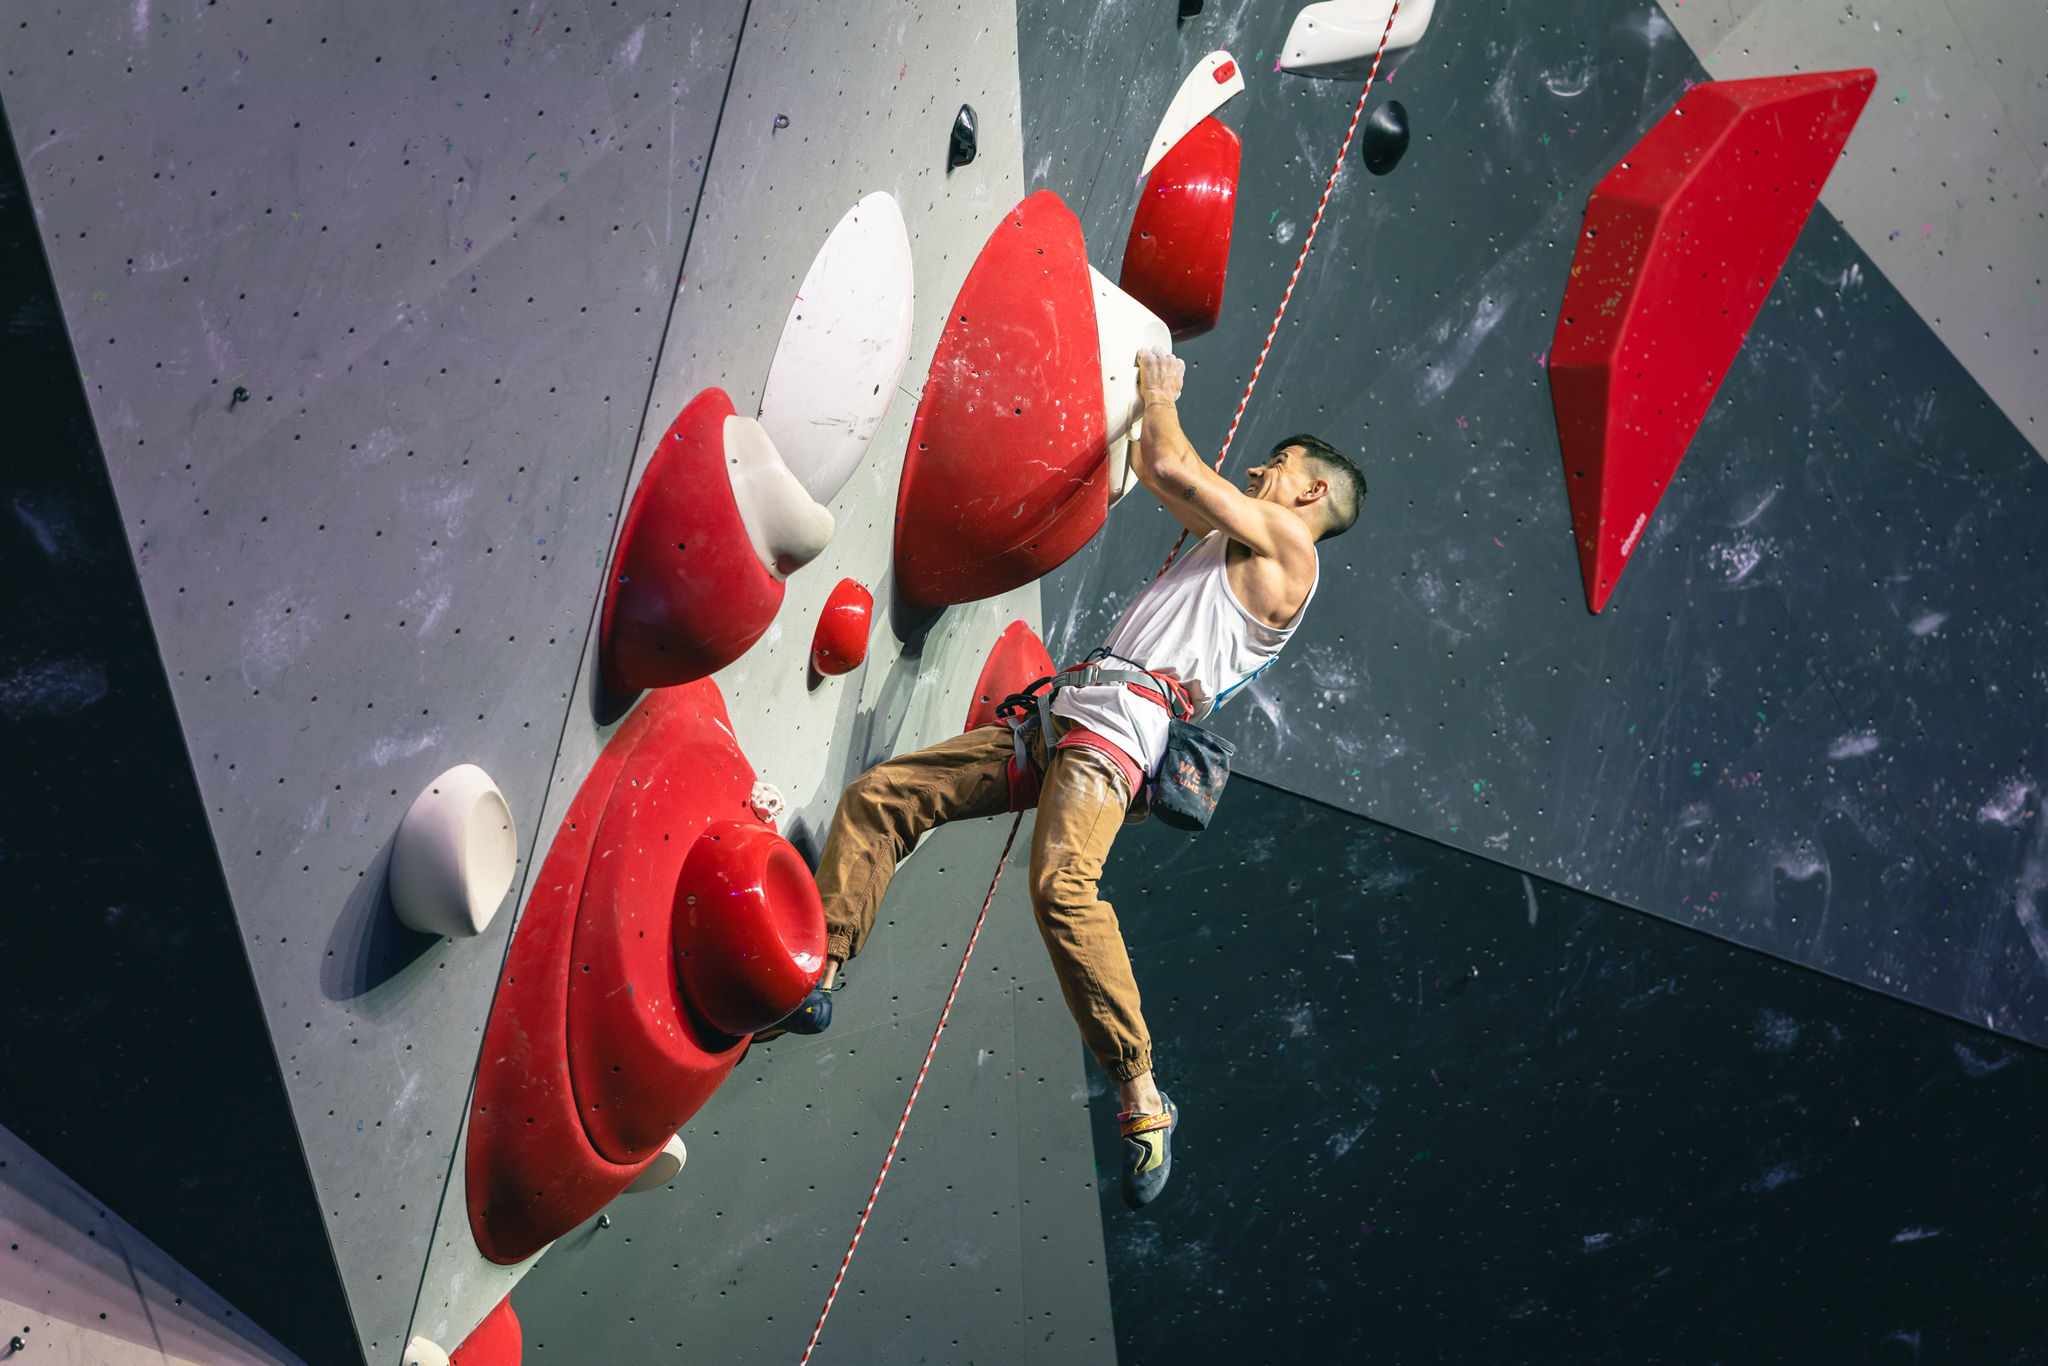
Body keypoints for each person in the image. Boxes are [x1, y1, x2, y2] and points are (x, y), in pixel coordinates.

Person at [768, 348, 1365, 1208]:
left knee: (1062, 891)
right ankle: (818, 974)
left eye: (1280, 467)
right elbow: (1154, 471)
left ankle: (1140, 1089)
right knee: (885, 798)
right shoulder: (1233, 538)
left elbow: (1168, 461)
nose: (1263, 470)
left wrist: (1160, 393)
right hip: (1072, 717)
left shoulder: (1291, 552)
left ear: (1311, 495)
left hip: (1116, 735)